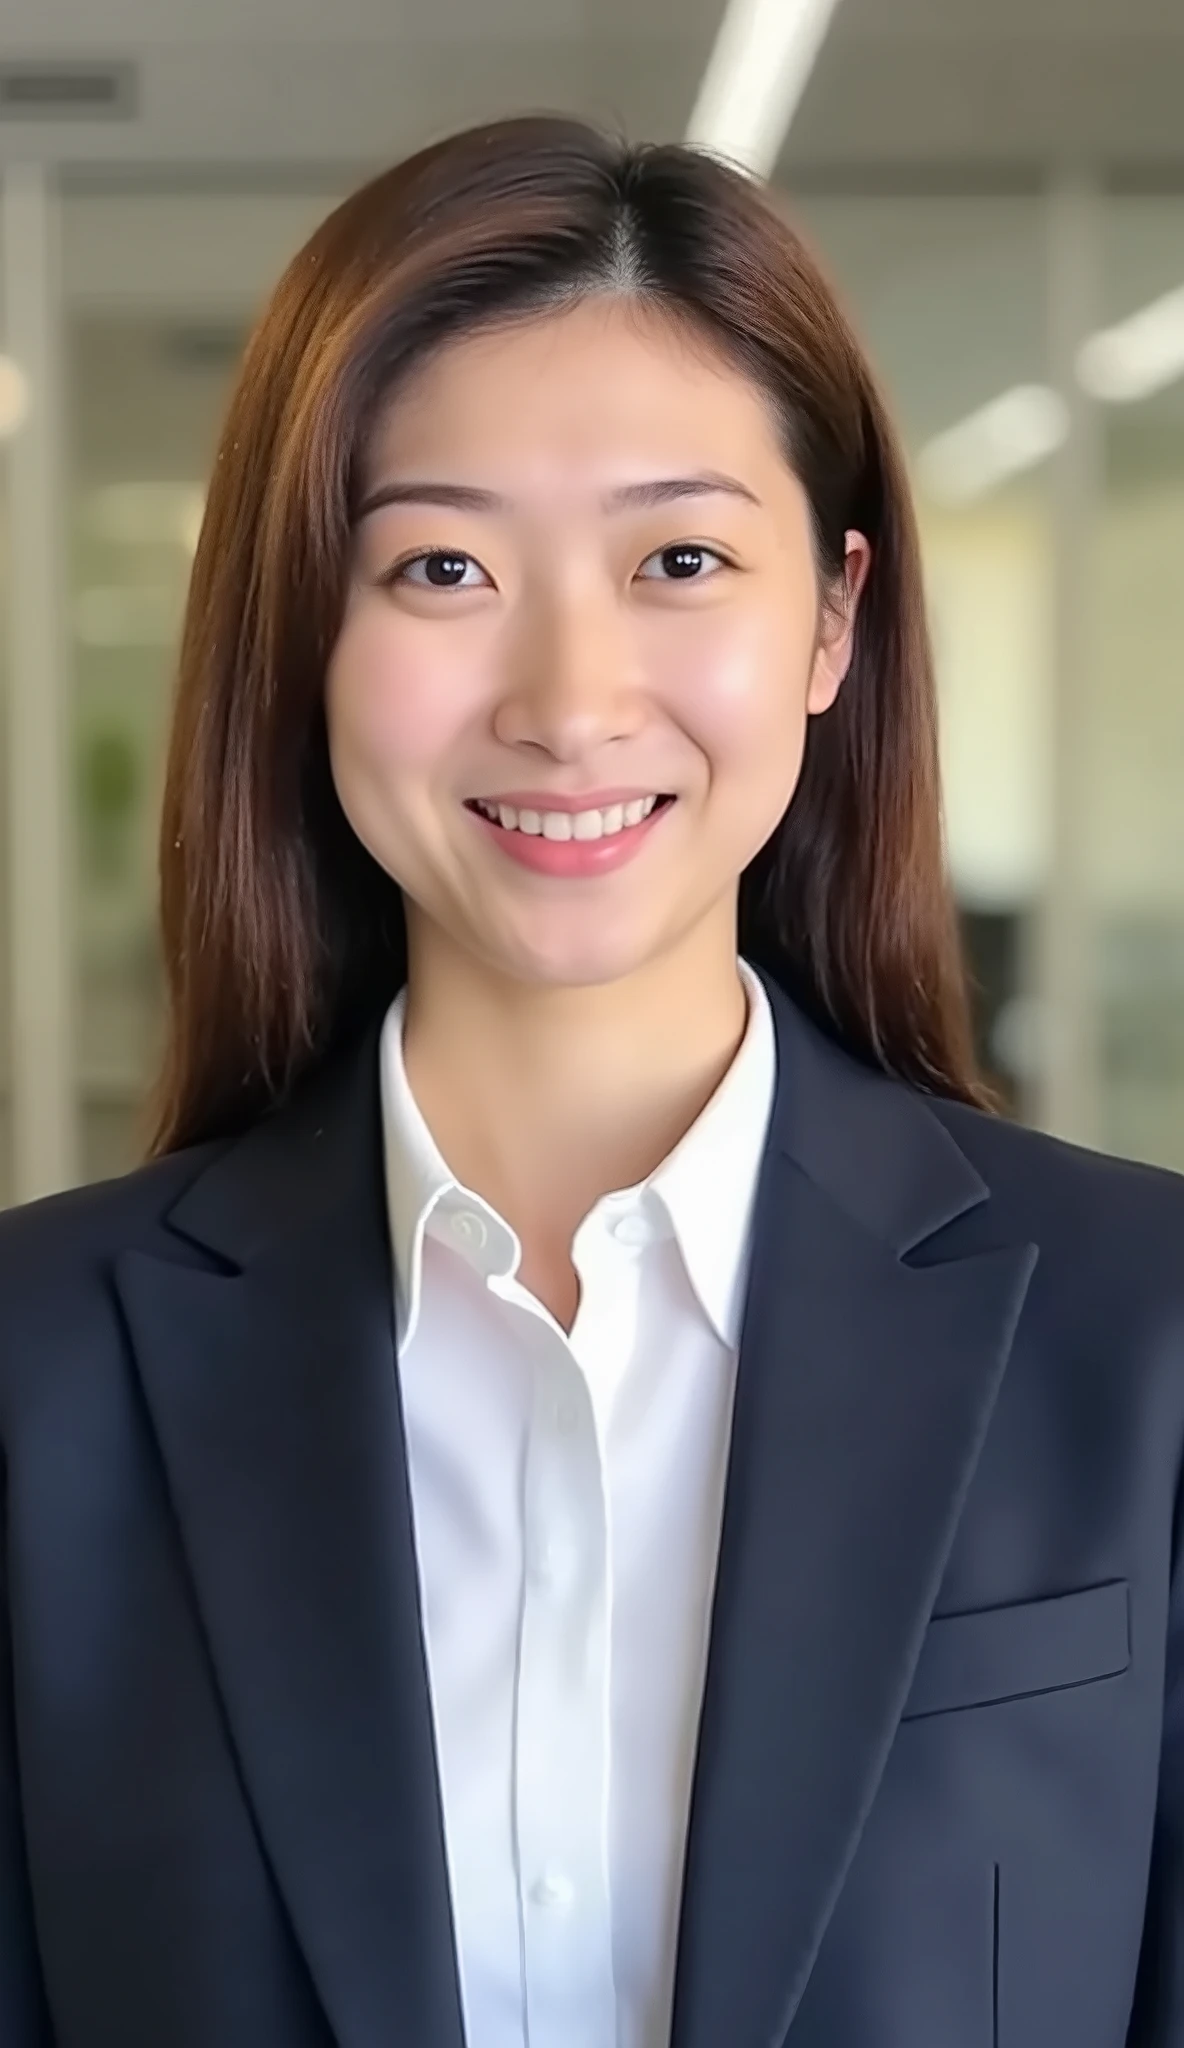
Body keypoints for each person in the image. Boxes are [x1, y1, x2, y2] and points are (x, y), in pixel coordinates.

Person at [0, 112, 1181, 2048]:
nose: (565, 697)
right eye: (443, 565)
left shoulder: (1142, 1337)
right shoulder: (41, 1374)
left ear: (830, 620)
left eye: (681, 557)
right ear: (309, 633)